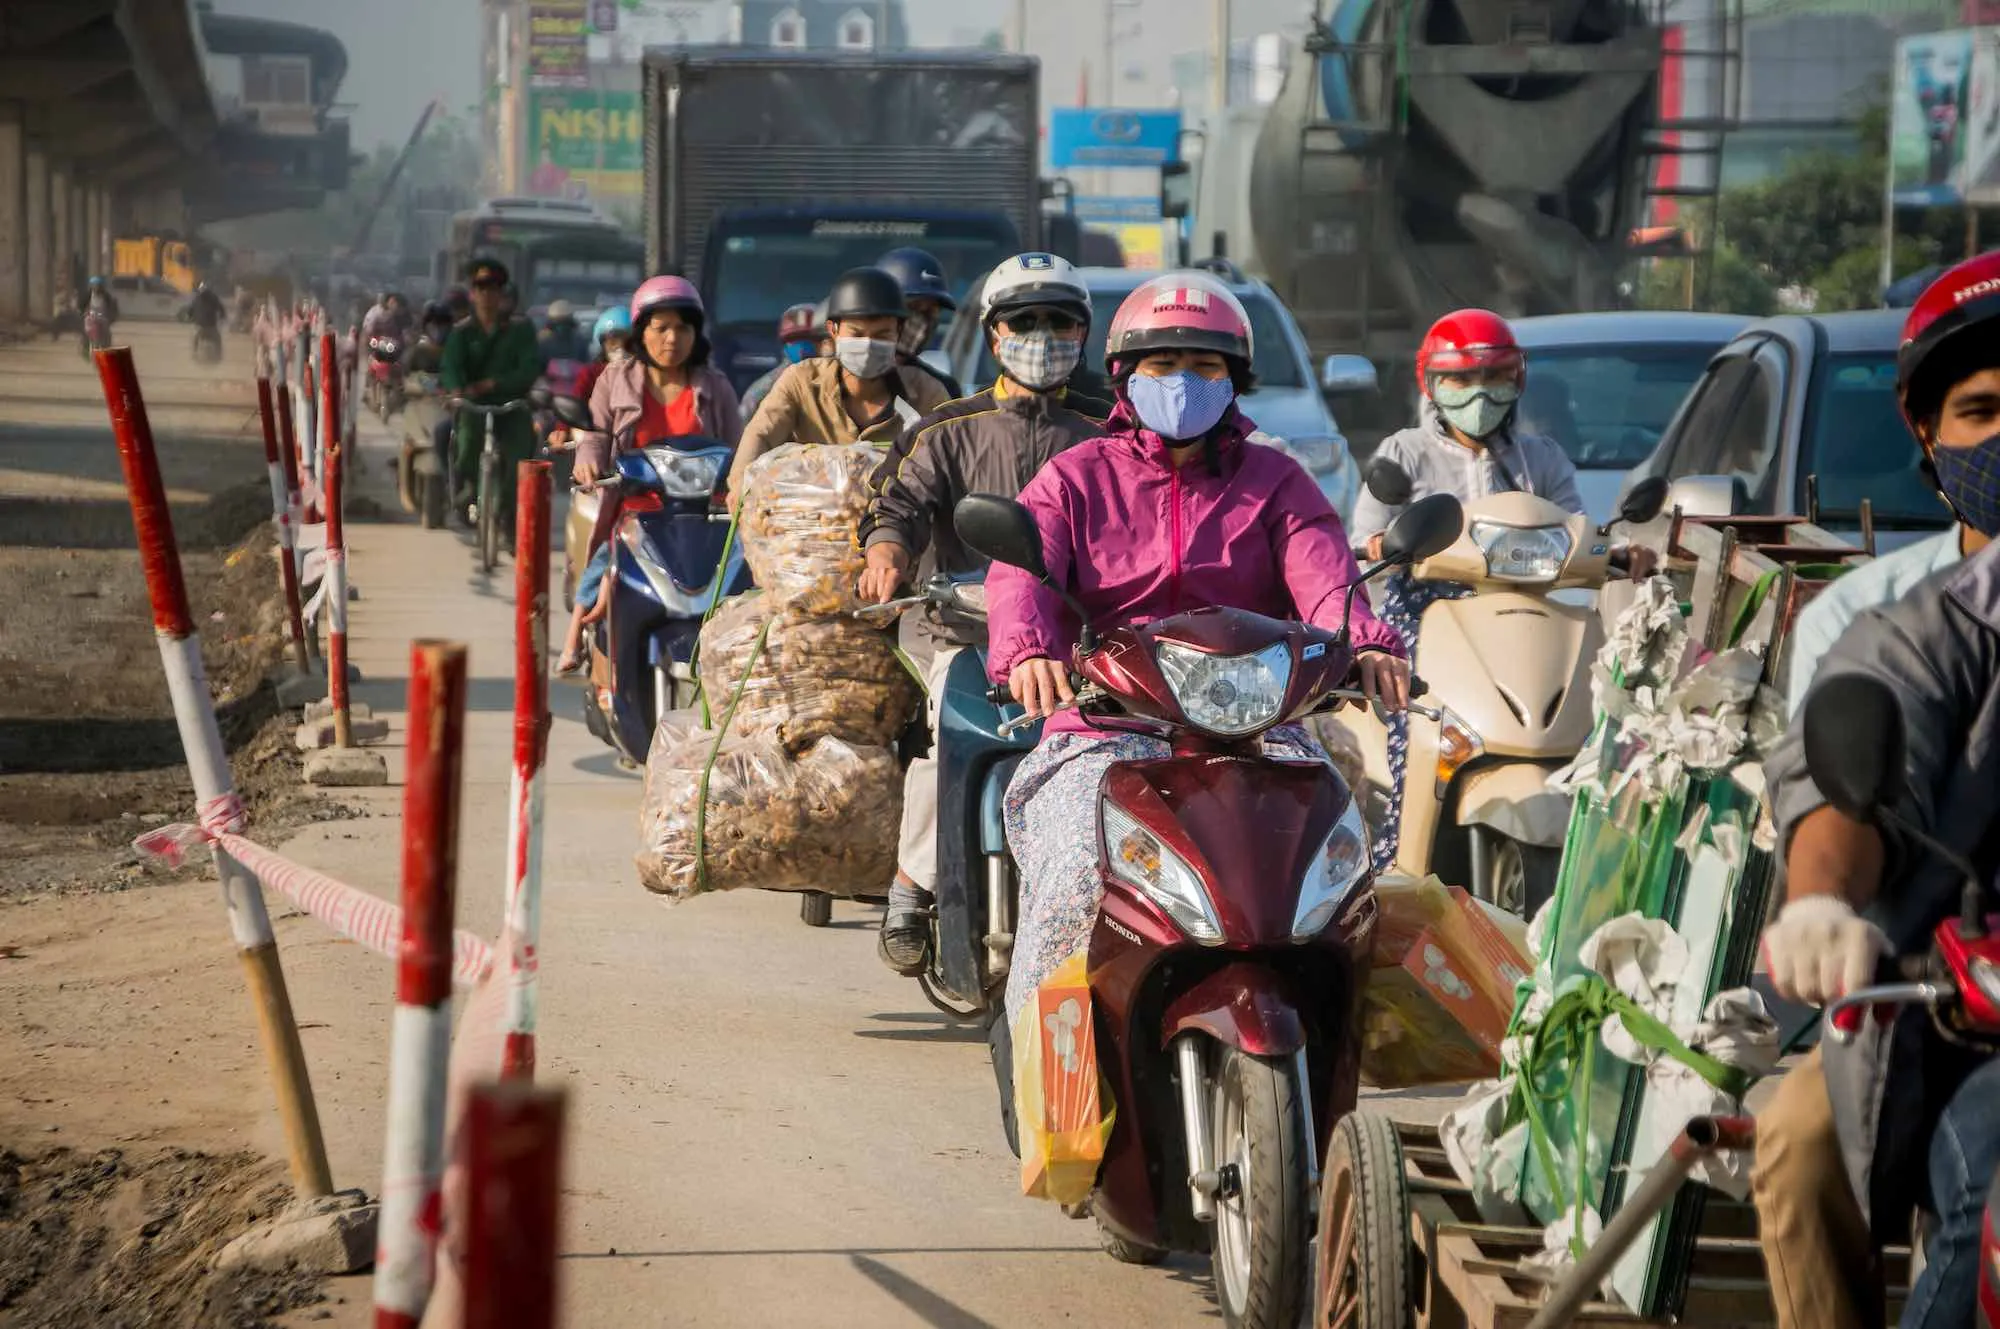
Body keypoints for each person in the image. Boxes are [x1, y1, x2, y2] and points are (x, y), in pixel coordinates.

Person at [983, 271, 1411, 1029]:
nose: (1183, 380)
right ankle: (1050, 1070)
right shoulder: (1074, 480)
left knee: (1334, 880)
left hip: (1259, 733)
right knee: (1078, 871)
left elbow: (1326, 578)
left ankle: (1335, 1056)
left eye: (1204, 365)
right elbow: (1023, 572)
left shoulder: (1278, 482)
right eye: (1162, 364)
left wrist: (1367, 645)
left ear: (1235, 379)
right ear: (1124, 377)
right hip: (1105, 732)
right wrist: (1027, 651)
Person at [1754, 252, 2000, 1329]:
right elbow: (1849, 788)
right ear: (1923, 434)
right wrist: (1822, 903)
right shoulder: (1918, 622)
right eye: (1981, 411)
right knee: (1801, 1146)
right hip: (1925, 1001)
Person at [857, 253, 1113, 975]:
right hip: (959, 630)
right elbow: (896, 502)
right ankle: (911, 886)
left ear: (1083, 335)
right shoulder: (947, 427)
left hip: (1077, 642)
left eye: (1058, 321)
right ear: (996, 336)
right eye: (1024, 321)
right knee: (948, 748)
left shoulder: (1109, 433)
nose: (1042, 335)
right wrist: (886, 553)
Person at [1348, 308, 1610, 872]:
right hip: (1428, 609)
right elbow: (1364, 530)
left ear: (1516, 380)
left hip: (1528, 610)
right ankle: (1399, 856)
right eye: (1461, 380)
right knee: (1410, 710)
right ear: (1432, 384)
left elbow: (1580, 532)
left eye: (1493, 377)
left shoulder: (1541, 459)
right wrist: (1376, 544)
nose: (1478, 392)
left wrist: (1617, 549)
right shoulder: (1406, 452)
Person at [557, 278, 742, 673]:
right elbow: (596, 434)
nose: (672, 338)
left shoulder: (716, 387)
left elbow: (739, 452)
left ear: (696, 333)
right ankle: (576, 632)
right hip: (636, 511)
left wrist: (742, 485)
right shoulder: (613, 380)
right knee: (604, 565)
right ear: (642, 332)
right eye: (661, 328)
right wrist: (588, 462)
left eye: (683, 327)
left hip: (702, 515)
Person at [729, 266, 954, 500]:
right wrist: (740, 489)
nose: (868, 345)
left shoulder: (926, 393)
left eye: (882, 335)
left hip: (896, 526)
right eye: (857, 334)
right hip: (810, 525)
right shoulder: (801, 382)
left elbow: (952, 456)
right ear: (833, 330)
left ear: (898, 333)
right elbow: (761, 435)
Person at [440, 257, 541, 544]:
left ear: (502, 293)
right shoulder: (461, 333)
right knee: (467, 443)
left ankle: (508, 514)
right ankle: (470, 490)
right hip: (474, 408)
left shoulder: (521, 330)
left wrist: (496, 383)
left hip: (511, 407)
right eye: (481, 287)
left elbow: (529, 368)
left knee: (520, 456)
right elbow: (450, 367)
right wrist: (456, 391)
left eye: (493, 287)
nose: (487, 293)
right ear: (472, 292)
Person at [876, 245, 965, 400]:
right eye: (912, 308)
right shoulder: (832, 379)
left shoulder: (941, 389)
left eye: (931, 315)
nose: (921, 329)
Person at [738, 302, 824, 420]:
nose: (802, 348)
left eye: (809, 339)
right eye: (794, 340)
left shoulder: (845, 385)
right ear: (783, 344)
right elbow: (742, 432)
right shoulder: (763, 392)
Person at [538, 299, 592, 367]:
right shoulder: (543, 342)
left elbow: (586, 364)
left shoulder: (579, 342)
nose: (562, 327)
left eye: (565, 322)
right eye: (558, 322)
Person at [183, 282, 226, 348]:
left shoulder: (196, 299)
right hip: (211, 326)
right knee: (218, 339)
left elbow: (190, 311)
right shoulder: (213, 297)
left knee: (195, 337)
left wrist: (188, 317)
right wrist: (222, 317)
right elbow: (221, 309)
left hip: (200, 326)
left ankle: (195, 352)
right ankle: (218, 354)